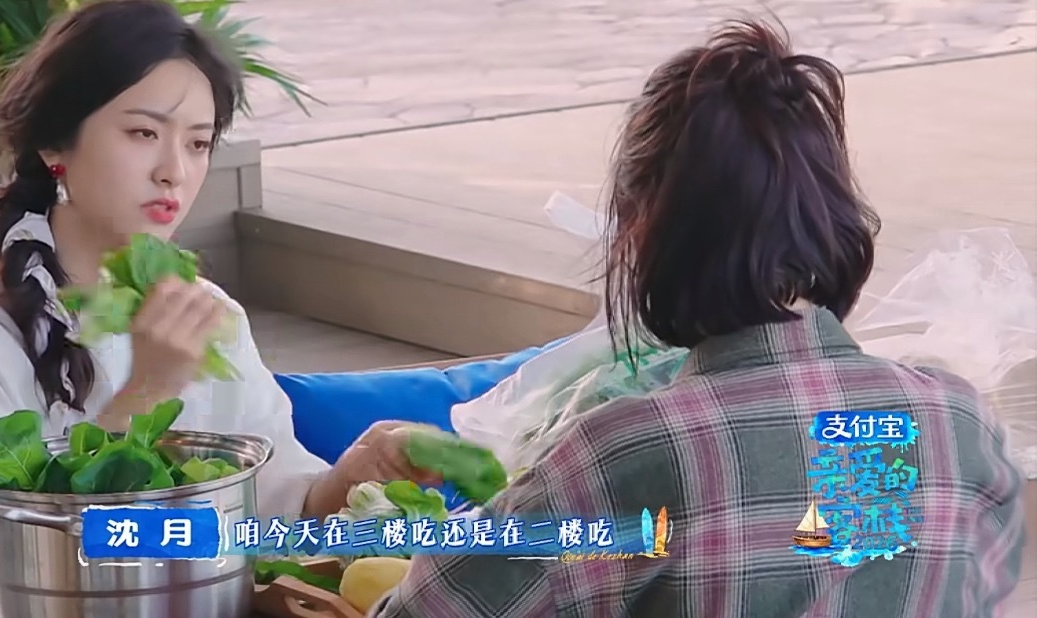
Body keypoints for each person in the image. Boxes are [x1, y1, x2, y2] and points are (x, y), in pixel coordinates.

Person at [370, 18, 1027, 618]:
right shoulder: (958, 424)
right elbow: (885, 564)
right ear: (832, 214)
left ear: (639, 229)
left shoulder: (624, 450)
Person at [0, 0, 436, 606]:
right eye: (143, 133)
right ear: (56, 144)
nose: (174, 171)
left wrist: (344, 481)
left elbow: (262, 510)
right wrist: (147, 392)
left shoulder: (208, 313)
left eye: (198, 143)